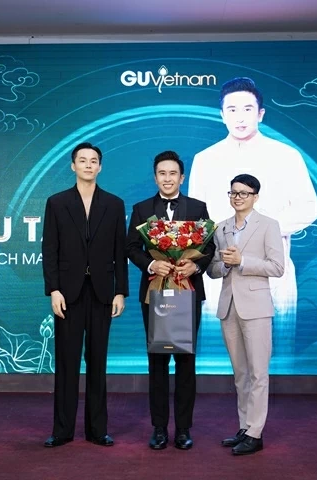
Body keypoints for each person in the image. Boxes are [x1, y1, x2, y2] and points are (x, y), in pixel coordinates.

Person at [188, 76, 317, 360]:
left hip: (271, 267)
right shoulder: (205, 159)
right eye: (232, 109)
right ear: (222, 115)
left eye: (247, 109)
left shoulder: (286, 156)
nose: (240, 117)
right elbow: (197, 217)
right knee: (218, 354)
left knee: (275, 354)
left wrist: (261, 230)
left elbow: (309, 207)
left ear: (260, 113)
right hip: (221, 268)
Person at [126, 150, 215, 451]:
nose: (167, 178)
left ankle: (184, 429)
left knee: (186, 362)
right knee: (158, 361)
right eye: (162, 173)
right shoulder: (141, 209)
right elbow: (131, 247)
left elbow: (210, 248)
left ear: (182, 177)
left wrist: (195, 266)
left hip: (187, 292)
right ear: (155, 177)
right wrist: (152, 264)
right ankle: (160, 428)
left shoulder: (198, 207)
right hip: (155, 293)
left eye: (173, 173)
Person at [41, 141, 129, 448]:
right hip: (68, 293)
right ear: (73, 166)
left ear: (100, 167)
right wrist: (53, 289)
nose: (88, 165)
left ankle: (97, 430)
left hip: (102, 292)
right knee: (67, 362)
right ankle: (62, 430)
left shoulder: (114, 204)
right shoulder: (57, 202)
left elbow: (120, 251)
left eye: (94, 160)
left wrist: (120, 291)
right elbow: (49, 249)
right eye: (83, 160)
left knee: (97, 361)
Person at [207, 174, 284, 456]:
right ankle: (245, 427)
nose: (237, 197)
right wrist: (226, 266)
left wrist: (243, 261)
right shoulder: (221, 228)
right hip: (229, 307)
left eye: (244, 193)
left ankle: (255, 432)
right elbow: (212, 269)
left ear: (255, 197)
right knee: (240, 374)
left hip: (257, 308)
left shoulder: (269, 225)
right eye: (233, 192)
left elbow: (277, 267)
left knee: (258, 373)